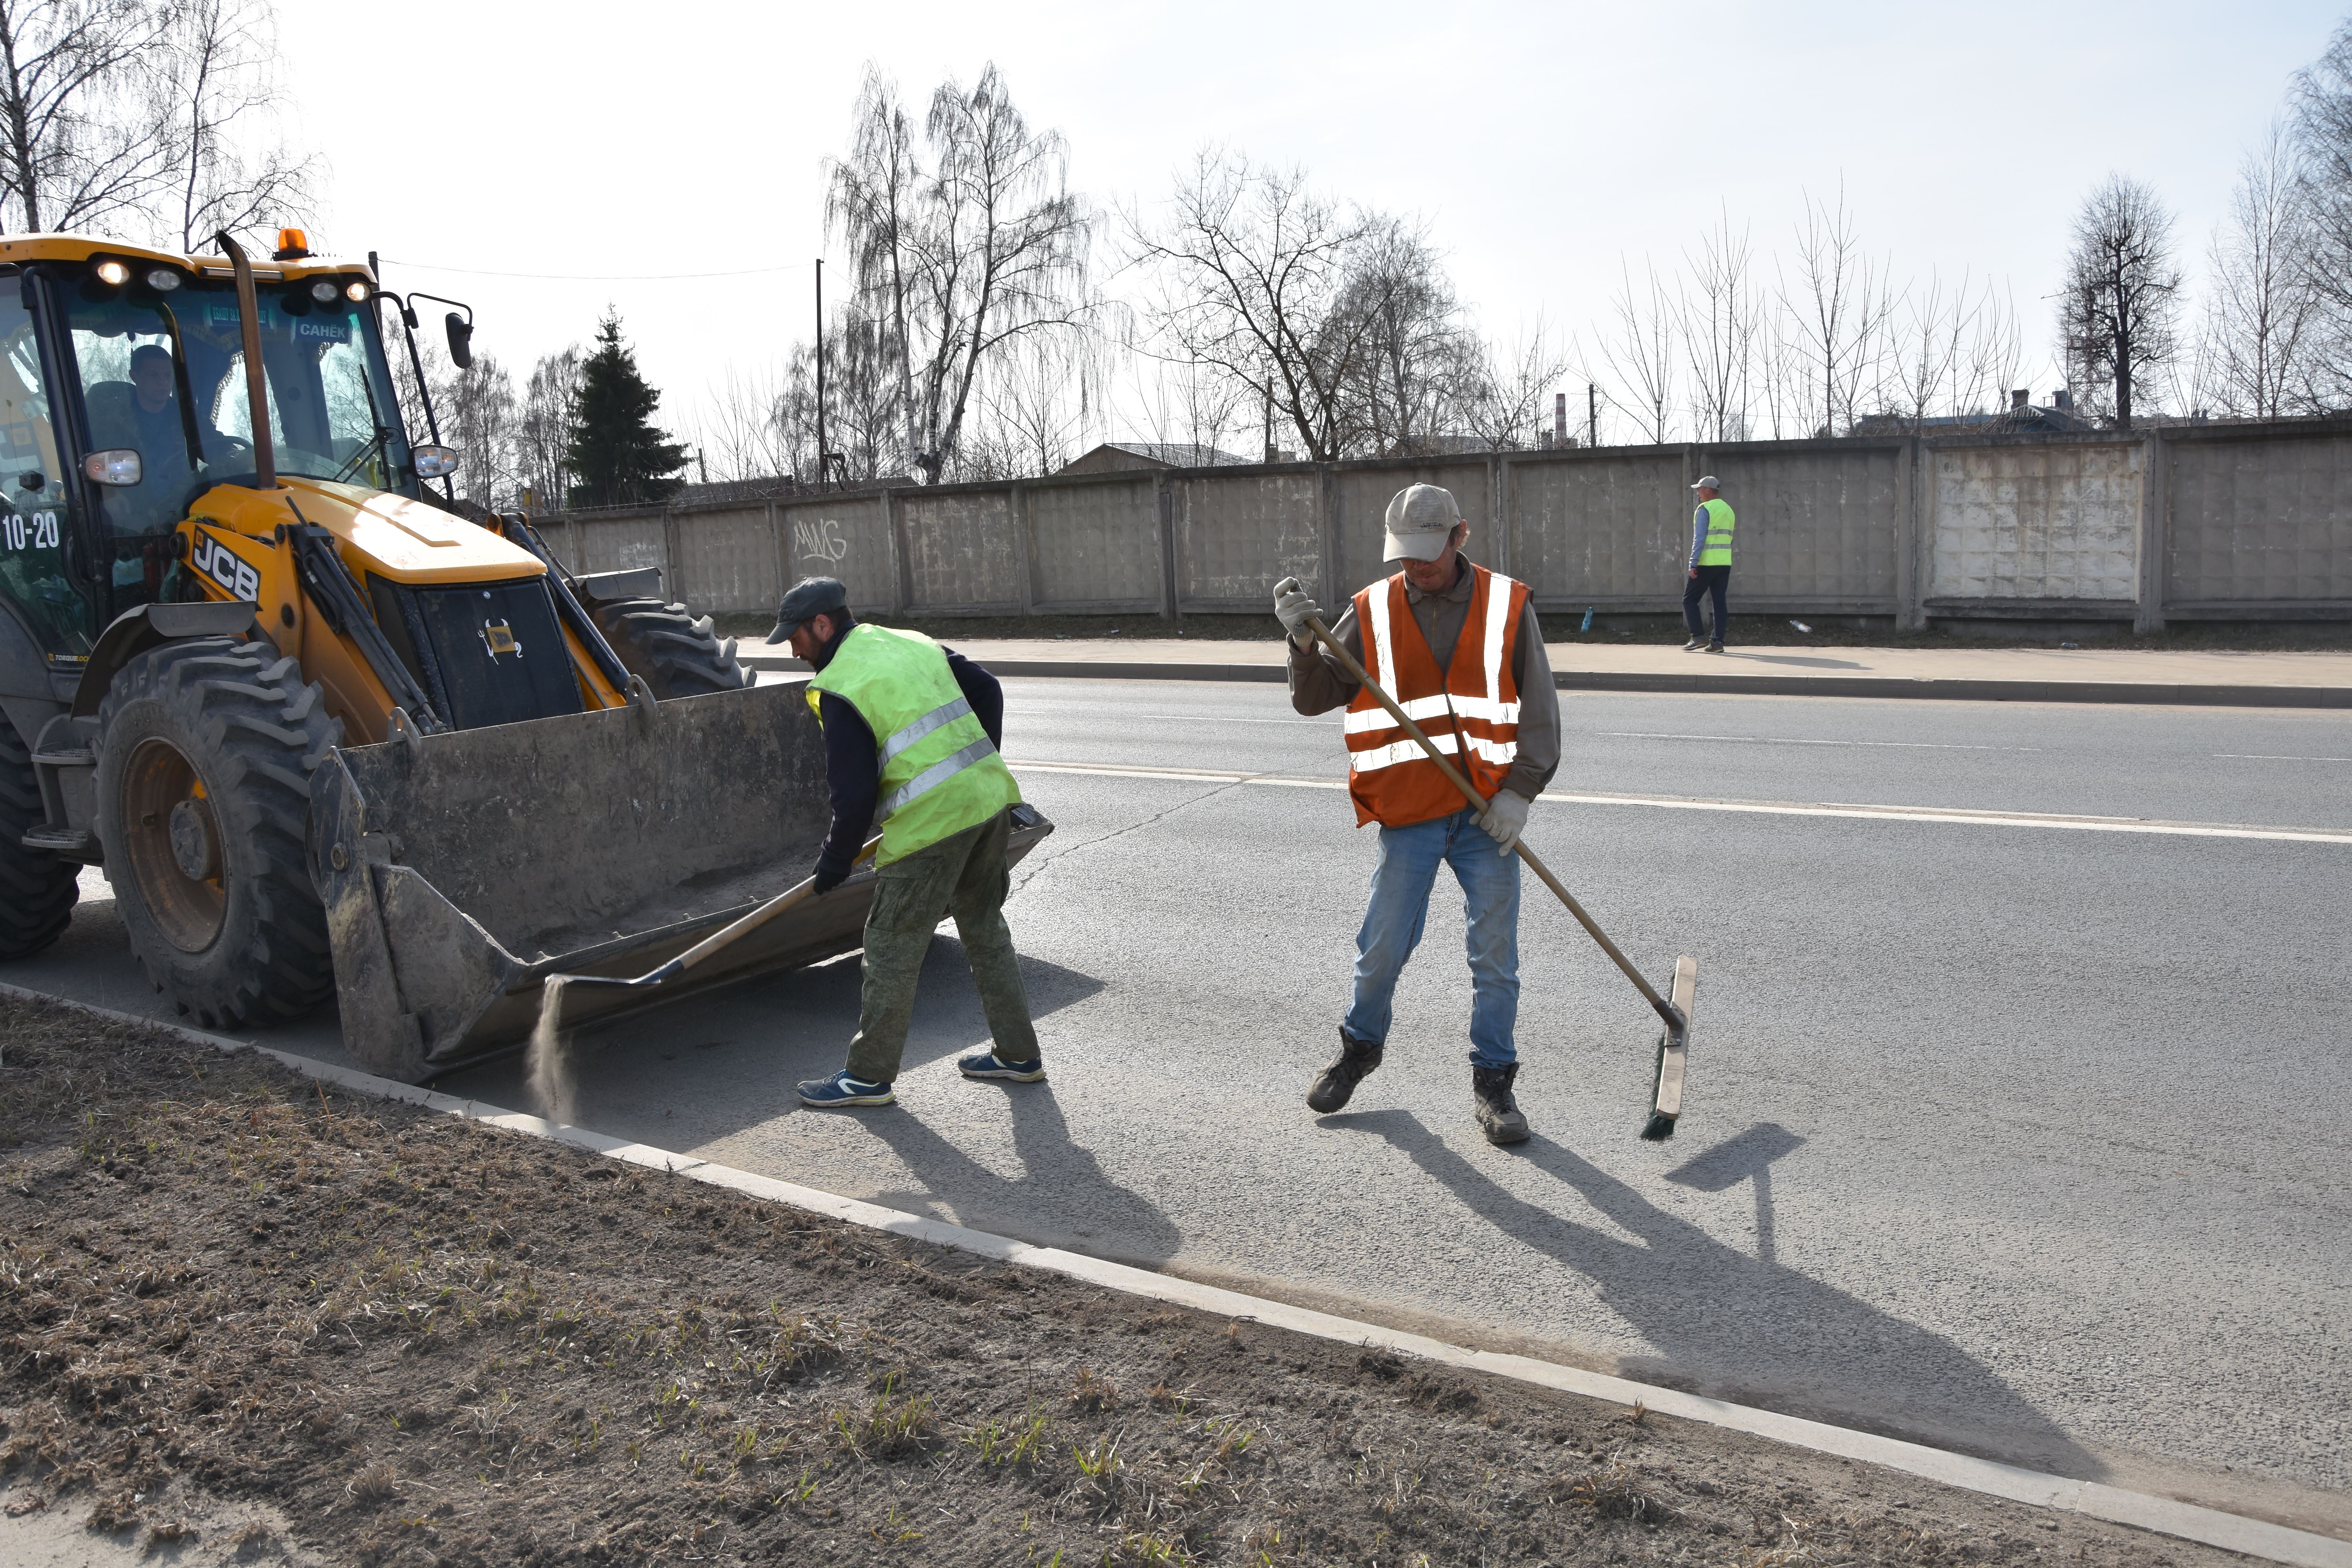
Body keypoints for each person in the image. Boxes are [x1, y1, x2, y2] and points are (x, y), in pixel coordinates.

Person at [1271, 483, 1561, 1146]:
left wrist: (1520, 793)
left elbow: (1540, 710)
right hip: (1411, 815)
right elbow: (1315, 698)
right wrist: (1301, 645)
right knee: (1382, 948)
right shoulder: (1370, 610)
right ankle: (1358, 1050)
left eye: (1429, 555)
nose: (1417, 569)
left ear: (1460, 537)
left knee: (1495, 957)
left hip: (1486, 815)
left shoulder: (1507, 606)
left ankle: (1495, 1085)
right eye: (1406, 557)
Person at [774, 576, 1043, 1109]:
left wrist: (833, 863)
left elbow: (853, 798)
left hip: (931, 827)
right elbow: (987, 688)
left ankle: (867, 1079)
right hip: (989, 803)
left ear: (822, 625)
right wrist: (975, 768)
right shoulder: (909, 642)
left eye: (796, 638)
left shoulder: (841, 683)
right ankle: (1019, 1056)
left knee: (891, 948)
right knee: (986, 928)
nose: (794, 650)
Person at [1682, 475, 1735, 653]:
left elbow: (1700, 538)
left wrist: (1693, 563)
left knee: (1689, 599)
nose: (1698, 493)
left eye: (1699, 489)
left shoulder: (1705, 509)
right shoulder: (1728, 510)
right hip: (1724, 563)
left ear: (1707, 490)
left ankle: (1697, 637)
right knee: (1719, 602)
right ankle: (1717, 642)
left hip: (1706, 563)